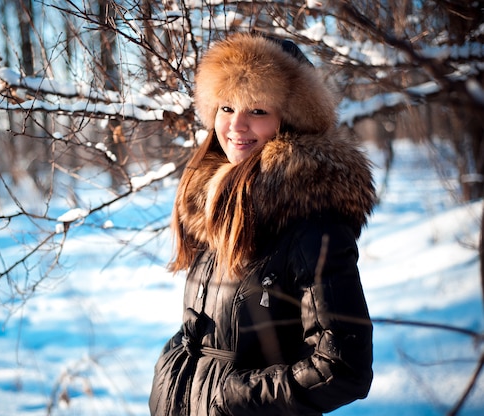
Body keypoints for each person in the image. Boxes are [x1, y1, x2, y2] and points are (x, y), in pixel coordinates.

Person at [149, 32, 376, 416]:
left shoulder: (312, 218)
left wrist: (228, 400)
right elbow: (204, 334)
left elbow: (343, 366)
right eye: (226, 108)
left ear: (289, 120)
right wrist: (172, 375)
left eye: (257, 111)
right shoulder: (218, 201)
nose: (236, 126)